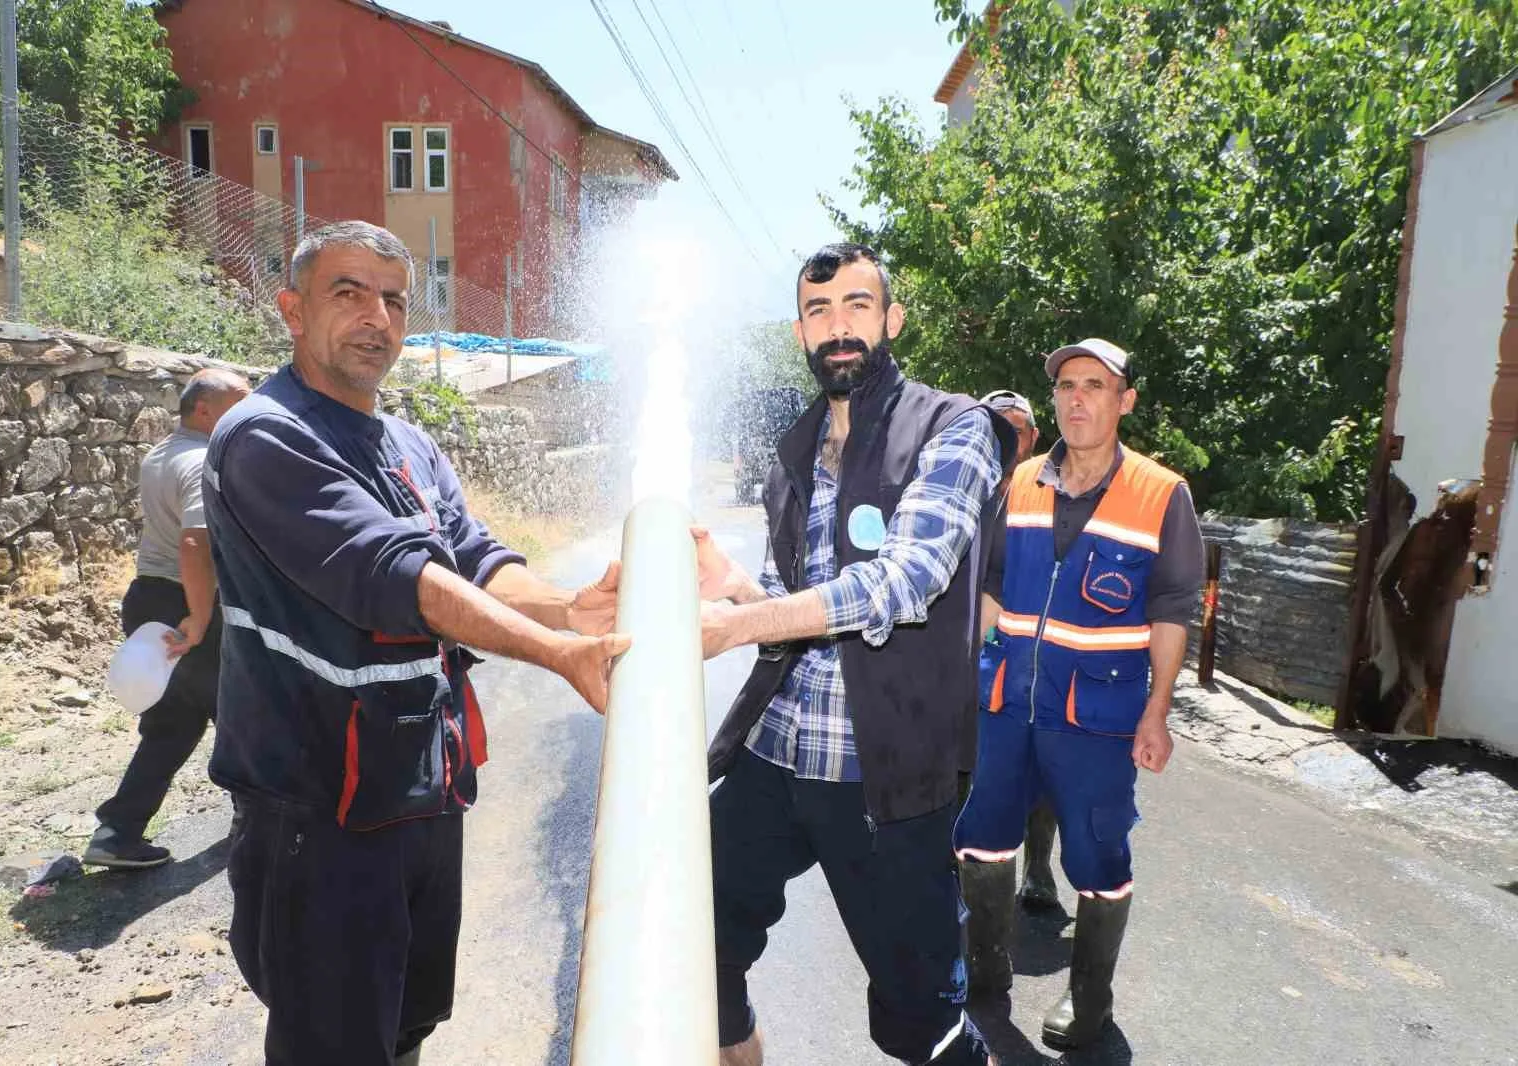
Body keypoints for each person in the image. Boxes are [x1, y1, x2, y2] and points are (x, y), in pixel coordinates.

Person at [201, 220, 627, 1066]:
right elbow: (398, 578)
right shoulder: (265, 434)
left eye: (394, 299)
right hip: (316, 814)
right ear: (292, 309)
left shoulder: (407, 443)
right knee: (332, 1042)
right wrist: (557, 657)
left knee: (404, 1024)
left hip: (420, 792)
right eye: (348, 292)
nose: (378, 317)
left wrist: (574, 610)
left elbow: (476, 561)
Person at [695, 243, 1015, 1066]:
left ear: (891, 319)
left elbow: (907, 580)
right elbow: (785, 605)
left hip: (881, 774)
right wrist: (734, 590)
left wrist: (736, 628)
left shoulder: (954, 426)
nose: (838, 328)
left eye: (856, 308)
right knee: (696, 943)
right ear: (799, 331)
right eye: (818, 311)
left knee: (922, 1022)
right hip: (775, 755)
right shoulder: (795, 448)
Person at [951, 339, 1204, 1050]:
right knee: (982, 842)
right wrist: (954, 672)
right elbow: (992, 588)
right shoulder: (1023, 479)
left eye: (1096, 385)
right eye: (1067, 384)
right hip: (1005, 706)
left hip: (1095, 718)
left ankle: (1090, 998)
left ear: (1124, 401)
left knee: (1097, 858)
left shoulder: (1161, 493)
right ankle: (987, 975)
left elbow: (1174, 609)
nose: (1078, 398)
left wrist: (1157, 713)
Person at [83, 367, 250, 869]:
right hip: (189, 604)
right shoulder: (202, 461)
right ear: (204, 410)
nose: (249, 410)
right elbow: (196, 541)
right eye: (238, 401)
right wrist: (200, 617)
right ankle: (259, 816)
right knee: (242, 711)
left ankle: (117, 833)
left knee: (173, 724)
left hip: (150, 598)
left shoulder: (162, 453)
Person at [957, 390, 1062, 921]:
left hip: (1029, 653)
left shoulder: (1050, 493)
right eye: (994, 425)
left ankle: (1038, 867)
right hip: (965, 651)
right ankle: (963, 874)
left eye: (1015, 429)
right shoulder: (955, 483)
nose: (1004, 438)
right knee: (965, 766)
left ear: (1032, 438)